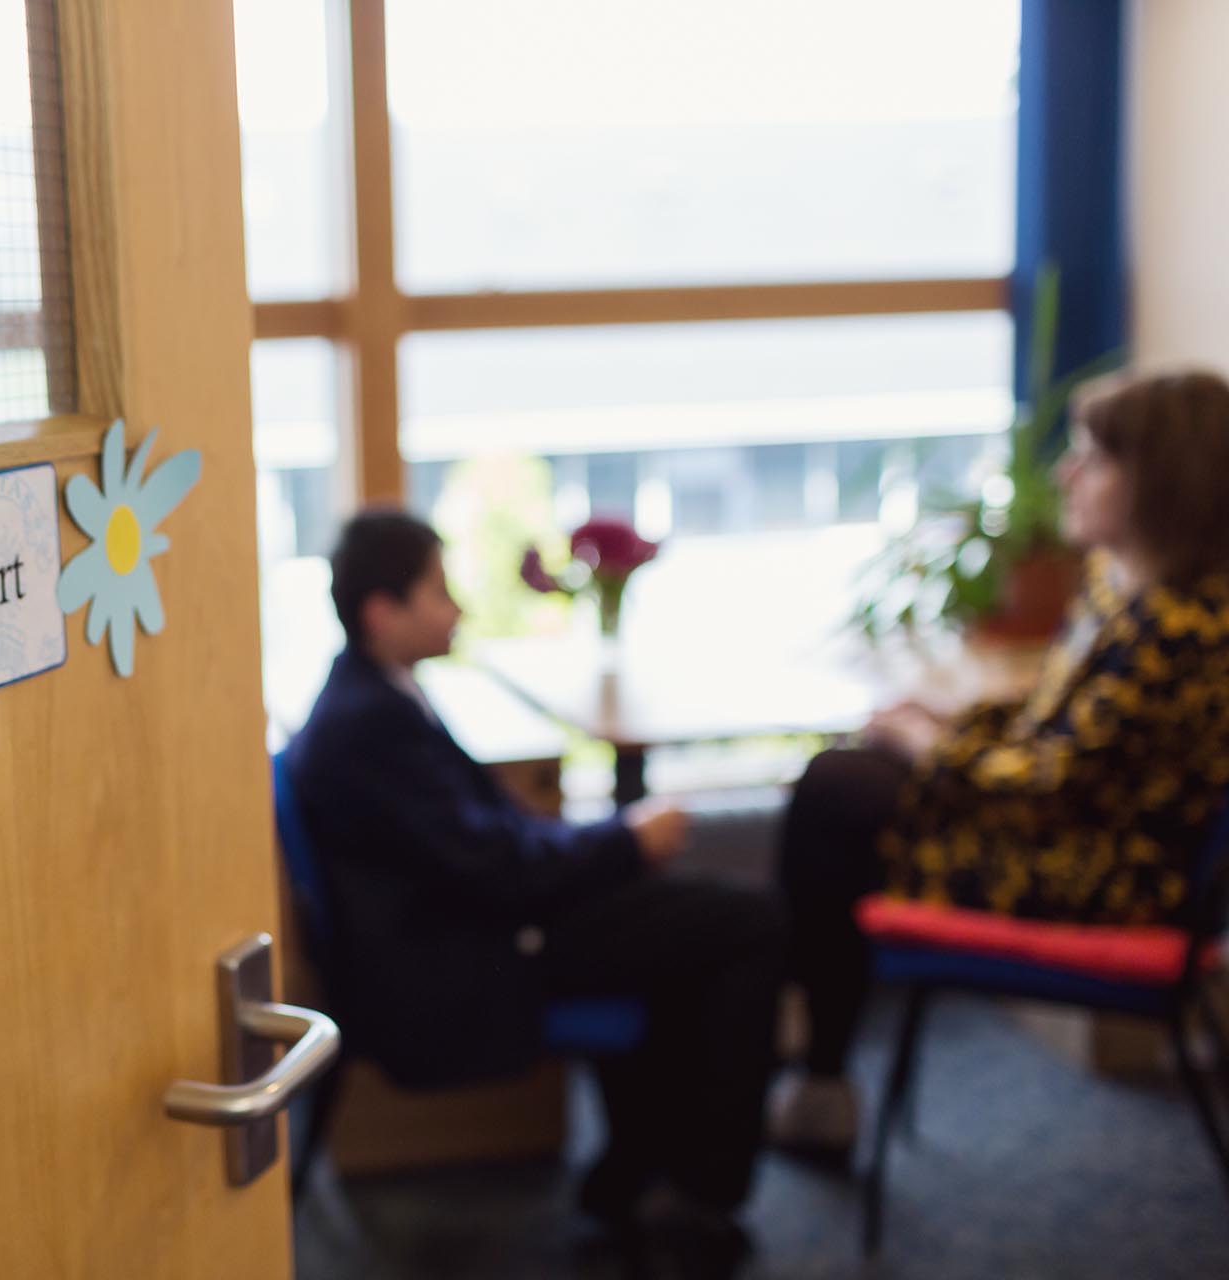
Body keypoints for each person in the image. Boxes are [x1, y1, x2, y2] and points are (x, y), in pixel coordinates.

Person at [285, 508, 786, 1274]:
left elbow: (488, 843)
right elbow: (498, 867)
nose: (457, 607)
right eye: (439, 591)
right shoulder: (368, 725)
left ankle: (644, 1173)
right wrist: (622, 842)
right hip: (465, 960)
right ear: (383, 612)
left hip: (473, 922)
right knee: (747, 924)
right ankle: (695, 1188)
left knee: (693, 915)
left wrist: (609, 844)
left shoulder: (373, 695)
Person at [771, 369, 1229, 1159]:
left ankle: (817, 1074)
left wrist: (927, 746)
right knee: (847, 781)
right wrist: (941, 727)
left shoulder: (1181, 625)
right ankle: (818, 1075)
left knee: (836, 796)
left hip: (1107, 876)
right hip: (1069, 835)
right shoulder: (1120, 589)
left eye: (1095, 458)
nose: (1067, 473)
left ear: (1161, 483)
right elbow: (1051, 732)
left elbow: (1050, 789)